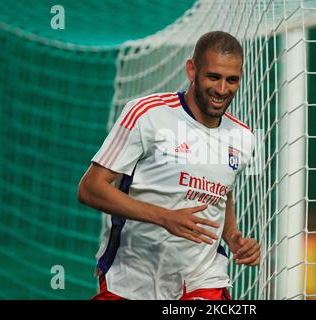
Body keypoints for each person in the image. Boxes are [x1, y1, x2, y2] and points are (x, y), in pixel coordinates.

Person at [78, 31, 260, 300]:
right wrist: (164, 217)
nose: (222, 89)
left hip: (202, 277)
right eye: (213, 77)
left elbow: (223, 191)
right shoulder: (146, 114)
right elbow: (90, 188)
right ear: (191, 70)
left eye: (232, 80)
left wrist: (233, 236)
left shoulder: (245, 137)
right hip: (131, 277)